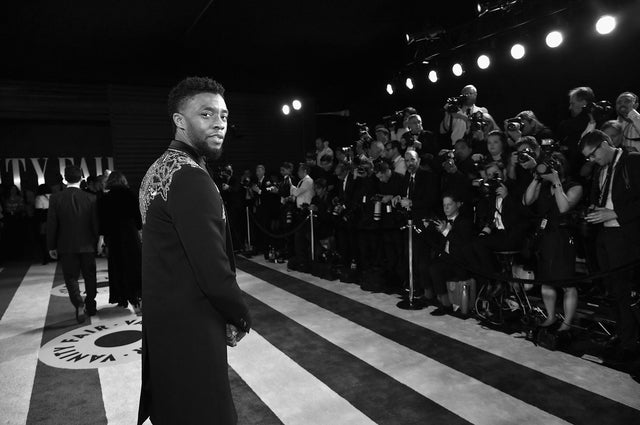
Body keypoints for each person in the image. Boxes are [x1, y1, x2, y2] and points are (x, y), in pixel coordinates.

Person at [138, 77, 251, 425]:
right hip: (193, 324)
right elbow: (212, 267)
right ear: (179, 120)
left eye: (224, 115)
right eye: (206, 114)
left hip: (165, 320)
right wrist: (240, 315)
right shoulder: (189, 177)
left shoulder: (157, 169)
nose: (219, 123)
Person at [581, 130, 640, 363]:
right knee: (613, 290)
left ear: (605, 144)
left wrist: (615, 212)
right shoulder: (601, 168)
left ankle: (630, 341)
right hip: (605, 235)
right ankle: (622, 334)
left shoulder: (632, 161)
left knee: (625, 290)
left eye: (593, 154)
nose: (592, 160)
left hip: (625, 236)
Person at [523, 153, 582, 334]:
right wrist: (536, 178)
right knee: (546, 280)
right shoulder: (543, 185)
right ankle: (550, 316)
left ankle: (567, 323)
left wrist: (556, 181)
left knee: (566, 282)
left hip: (563, 237)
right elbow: (527, 201)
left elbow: (564, 207)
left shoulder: (574, 186)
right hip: (544, 237)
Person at [46, 166, 99, 323]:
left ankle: (78, 303)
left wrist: (51, 246)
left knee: (70, 277)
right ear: (82, 178)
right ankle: (91, 304)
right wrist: (98, 241)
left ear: (64, 179)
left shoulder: (55, 198)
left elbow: (52, 224)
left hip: (66, 245)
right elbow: (95, 223)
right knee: (90, 276)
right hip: (87, 244)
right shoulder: (91, 198)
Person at [98, 171, 142, 310]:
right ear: (123, 180)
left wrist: (102, 237)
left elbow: (102, 220)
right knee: (133, 265)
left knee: (117, 266)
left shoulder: (105, 197)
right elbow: (138, 216)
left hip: (113, 235)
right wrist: (139, 230)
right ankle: (135, 295)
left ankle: (121, 298)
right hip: (130, 233)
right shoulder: (130, 194)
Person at [428, 194, 474, 316]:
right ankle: (438, 299)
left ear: (457, 205)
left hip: (460, 262)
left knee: (436, 269)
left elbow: (462, 244)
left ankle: (446, 304)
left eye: (449, 205)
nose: (446, 208)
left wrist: (445, 231)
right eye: (444, 205)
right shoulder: (443, 221)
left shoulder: (465, 221)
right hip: (445, 258)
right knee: (429, 264)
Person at [34, 184, 52, 264]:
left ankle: (46, 257)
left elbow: (39, 212)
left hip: (44, 222)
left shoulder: (39, 198)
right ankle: (54, 256)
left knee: (44, 240)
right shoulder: (53, 197)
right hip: (53, 220)